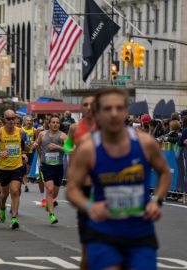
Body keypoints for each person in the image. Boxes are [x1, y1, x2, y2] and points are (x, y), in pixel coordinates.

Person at [66, 88, 171, 270]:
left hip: (140, 232)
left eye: (119, 108)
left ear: (126, 111)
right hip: (103, 232)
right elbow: (72, 189)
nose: (113, 114)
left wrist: (157, 201)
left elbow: (165, 173)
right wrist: (89, 206)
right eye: (107, 109)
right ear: (97, 114)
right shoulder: (88, 149)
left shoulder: (145, 143)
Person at [64, 95, 95, 270]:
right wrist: (72, 149)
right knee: (87, 243)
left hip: (105, 185)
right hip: (84, 185)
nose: (89, 107)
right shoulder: (75, 128)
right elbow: (68, 145)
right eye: (86, 104)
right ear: (81, 108)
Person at [0, 110, 27, 229]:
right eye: (9, 119)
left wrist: (25, 153)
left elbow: (24, 146)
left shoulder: (21, 132)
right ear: (4, 120)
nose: (11, 121)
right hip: (4, 167)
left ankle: (14, 218)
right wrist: (0, 152)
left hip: (17, 166)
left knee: (15, 190)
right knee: (4, 194)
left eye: (13, 118)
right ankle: (2, 208)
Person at [33, 115, 66, 224]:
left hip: (58, 167)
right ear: (49, 124)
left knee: (54, 193)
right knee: (50, 189)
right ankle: (52, 215)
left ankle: (49, 203)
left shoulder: (63, 136)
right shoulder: (42, 134)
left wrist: (58, 147)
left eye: (57, 122)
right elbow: (37, 144)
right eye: (53, 122)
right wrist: (37, 150)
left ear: (59, 124)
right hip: (46, 166)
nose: (55, 124)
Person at [21, 116, 37, 193]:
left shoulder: (34, 130)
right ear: (24, 121)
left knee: (28, 169)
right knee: (23, 167)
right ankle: (25, 185)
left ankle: (24, 179)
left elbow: (37, 140)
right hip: (23, 152)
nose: (29, 122)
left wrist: (34, 143)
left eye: (30, 120)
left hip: (31, 151)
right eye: (27, 120)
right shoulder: (21, 130)